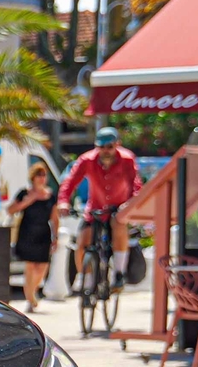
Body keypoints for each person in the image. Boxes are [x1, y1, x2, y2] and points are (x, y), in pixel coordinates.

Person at [58, 126, 143, 282]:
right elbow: (69, 182)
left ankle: (118, 272)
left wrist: (131, 204)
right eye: (101, 147)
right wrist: (64, 202)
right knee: (82, 241)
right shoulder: (87, 160)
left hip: (118, 207)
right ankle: (86, 280)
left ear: (117, 144)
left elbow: (135, 185)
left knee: (119, 224)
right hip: (95, 208)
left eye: (109, 147)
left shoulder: (127, 159)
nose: (105, 151)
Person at [11, 165, 56, 311]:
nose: (42, 178)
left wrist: (56, 237)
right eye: (39, 175)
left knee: (42, 267)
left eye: (44, 175)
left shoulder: (51, 196)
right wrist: (27, 201)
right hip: (27, 232)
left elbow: (55, 218)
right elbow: (11, 209)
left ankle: (32, 292)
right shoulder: (24, 193)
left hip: (44, 233)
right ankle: (30, 298)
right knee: (30, 266)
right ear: (33, 177)